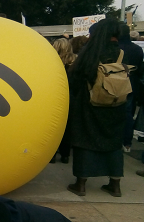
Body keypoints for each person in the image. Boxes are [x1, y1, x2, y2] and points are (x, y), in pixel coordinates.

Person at [67, 18, 126, 197]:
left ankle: (81, 184)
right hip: (116, 104)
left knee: (85, 140)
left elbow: (74, 80)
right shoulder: (123, 53)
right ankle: (115, 185)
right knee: (114, 143)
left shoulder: (90, 53)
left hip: (89, 104)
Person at [118, 24, 143, 153]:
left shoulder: (116, 48)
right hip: (131, 85)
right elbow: (140, 70)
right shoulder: (138, 49)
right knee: (128, 113)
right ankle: (127, 142)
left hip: (115, 85)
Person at [50, 38, 75, 164]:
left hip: (54, 98)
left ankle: (52, 154)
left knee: (53, 127)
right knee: (67, 127)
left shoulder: (51, 63)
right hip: (71, 98)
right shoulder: (75, 62)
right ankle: (65, 155)